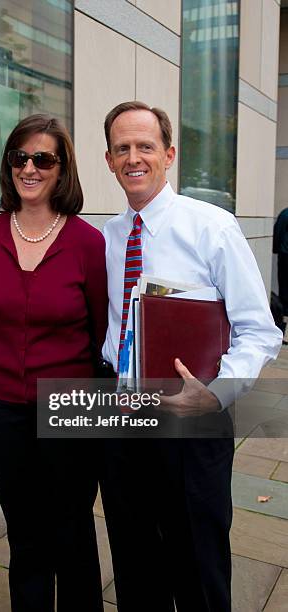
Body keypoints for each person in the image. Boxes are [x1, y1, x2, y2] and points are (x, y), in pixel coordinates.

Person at [99, 101, 282, 612]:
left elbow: (258, 330)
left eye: (145, 146)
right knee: (135, 565)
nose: (134, 157)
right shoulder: (108, 239)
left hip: (192, 424)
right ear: (110, 161)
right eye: (122, 149)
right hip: (122, 423)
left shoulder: (212, 228)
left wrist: (216, 395)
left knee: (197, 566)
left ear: (169, 154)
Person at [0, 114, 108, 612]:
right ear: (8, 166)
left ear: (62, 170)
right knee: (26, 532)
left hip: (70, 406)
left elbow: (103, 337)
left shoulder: (87, 243)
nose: (30, 168)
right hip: (0, 409)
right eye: (20, 157)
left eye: (44, 158)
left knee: (73, 529)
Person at [273, 207, 288, 340]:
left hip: (286, 256)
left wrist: (276, 248)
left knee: (285, 290)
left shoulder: (285, 213)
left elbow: (278, 233)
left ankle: (283, 329)